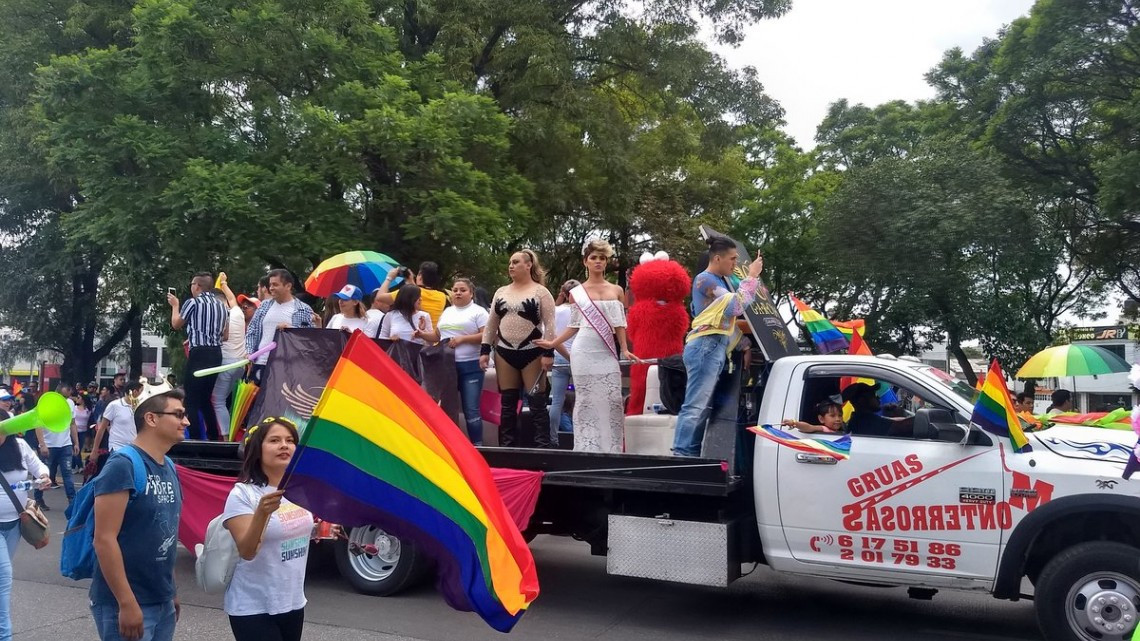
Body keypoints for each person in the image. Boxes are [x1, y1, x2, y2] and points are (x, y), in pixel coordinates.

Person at [90, 390, 186, 641]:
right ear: (151, 419)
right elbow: (104, 539)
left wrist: (171, 590)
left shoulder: (170, 466)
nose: (186, 422)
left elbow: (165, 535)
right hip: (125, 602)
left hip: (162, 600)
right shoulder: (122, 465)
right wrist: (126, 602)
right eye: (178, 415)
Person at [539, 240, 638, 453]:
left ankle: (611, 448)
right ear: (586, 262)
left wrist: (624, 348)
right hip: (583, 350)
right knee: (586, 401)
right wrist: (553, 343)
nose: (598, 261)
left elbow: (620, 323)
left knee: (612, 399)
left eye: (602, 258)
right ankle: (586, 447)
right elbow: (574, 326)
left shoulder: (617, 290)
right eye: (593, 257)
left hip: (606, 351)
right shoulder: (578, 293)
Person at [671, 238, 765, 457]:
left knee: (703, 406)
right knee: (695, 405)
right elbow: (736, 306)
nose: (735, 264)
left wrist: (744, 345)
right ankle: (683, 455)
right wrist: (751, 276)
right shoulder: (705, 279)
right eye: (732, 259)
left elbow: (726, 321)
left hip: (714, 346)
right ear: (717, 258)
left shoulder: (722, 281)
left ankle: (690, 454)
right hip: (705, 346)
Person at [222, 417, 313, 641]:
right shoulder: (243, 494)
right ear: (257, 450)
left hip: (293, 602)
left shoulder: (299, 490)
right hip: (253, 607)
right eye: (274, 440)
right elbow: (247, 551)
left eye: (290, 440)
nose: (284, 445)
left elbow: (289, 529)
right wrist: (262, 514)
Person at [480, 250, 556, 448]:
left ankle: (542, 449)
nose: (511, 266)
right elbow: (491, 323)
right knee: (507, 403)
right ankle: (507, 448)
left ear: (528, 265)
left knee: (537, 402)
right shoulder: (501, 292)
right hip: (505, 352)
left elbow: (550, 324)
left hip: (533, 351)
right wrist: (484, 350)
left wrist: (549, 352)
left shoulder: (541, 292)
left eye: (515, 262)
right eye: (510, 263)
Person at [420, 279, 490, 445]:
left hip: (470, 366)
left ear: (471, 293)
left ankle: (478, 447)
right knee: (445, 409)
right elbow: (437, 336)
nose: (458, 293)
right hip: (445, 367)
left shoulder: (479, 312)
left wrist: (463, 339)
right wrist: (421, 333)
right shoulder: (447, 312)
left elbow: (487, 336)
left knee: (471, 410)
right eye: (455, 290)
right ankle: (448, 447)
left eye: (462, 290)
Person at [0, 409, 50, 641]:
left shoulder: (19, 446)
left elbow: (38, 465)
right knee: (3, 577)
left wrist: (44, 476)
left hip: (15, 524)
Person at [167, 272, 227, 441]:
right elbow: (226, 335)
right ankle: (214, 437)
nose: (191, 287)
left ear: (198, 286)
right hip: (216, 353)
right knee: (206, 398)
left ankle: (194, 437)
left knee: (191, 399)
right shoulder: (222, 306)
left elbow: (176, 324)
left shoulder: (192, 302)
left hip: (199, 352)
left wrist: (175, 305)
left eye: (192, 284)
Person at [244, 269, 317, 385]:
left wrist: (291, 329)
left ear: (288, 286)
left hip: (287, 366)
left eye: (275, 284)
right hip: (260, 362)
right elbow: (252, 331)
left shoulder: (304, 309)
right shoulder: (264, 306)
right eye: (270, 284)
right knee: (254, 401)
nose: (271, 288)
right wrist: (249, 352)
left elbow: (310, 339)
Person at [211, 274, 251, 437]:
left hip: (226, 363)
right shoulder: (237, 313)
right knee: (231, 401)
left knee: (217, 400)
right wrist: (224, 283)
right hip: (241, 365)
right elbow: (232, 299)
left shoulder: (218, 315)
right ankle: (232, 430)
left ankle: (227, 436)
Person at [33, 383, 79, 510]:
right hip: (49, 445)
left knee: (68, 474)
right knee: (42, 474)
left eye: (68, 394)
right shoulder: (46, 403)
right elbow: (38, 425)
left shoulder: (70, 403)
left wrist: (76, 442)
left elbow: (72, 423)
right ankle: (38, 500)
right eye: (64, 395)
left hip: (65, 445)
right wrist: (42, 445)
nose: (66, 398)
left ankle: (72, 501)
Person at [91, 382, 145, 476]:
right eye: (141, 392)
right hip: (117, 448)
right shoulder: (115, 405)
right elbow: (102, 428)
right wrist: (95, 450)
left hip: (135, 449)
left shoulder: (141, 408)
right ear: (134, 392)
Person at [375, 261, 448, 328]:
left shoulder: (408, 292)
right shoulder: (442, 297)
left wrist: (389, 278)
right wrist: (411, 282)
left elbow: (379, 297)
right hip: (429, 339)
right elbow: (419, 292)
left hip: (411, 338)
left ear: (420, 275)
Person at [548, 280, 579, 434]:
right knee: (582, 400)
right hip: (578, 356)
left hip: (559, 356)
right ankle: (579, 436)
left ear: (564, 294)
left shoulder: (555, 310)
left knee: (556, 401)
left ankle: (553, 438)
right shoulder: (582, 311)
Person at [842, 383, 913, 437]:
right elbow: (901, 427)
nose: (878, 397)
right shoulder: (865, 422)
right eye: (873, 395)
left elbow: (889, 420)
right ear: (862, 401)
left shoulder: (860, 418)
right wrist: (919, 419)